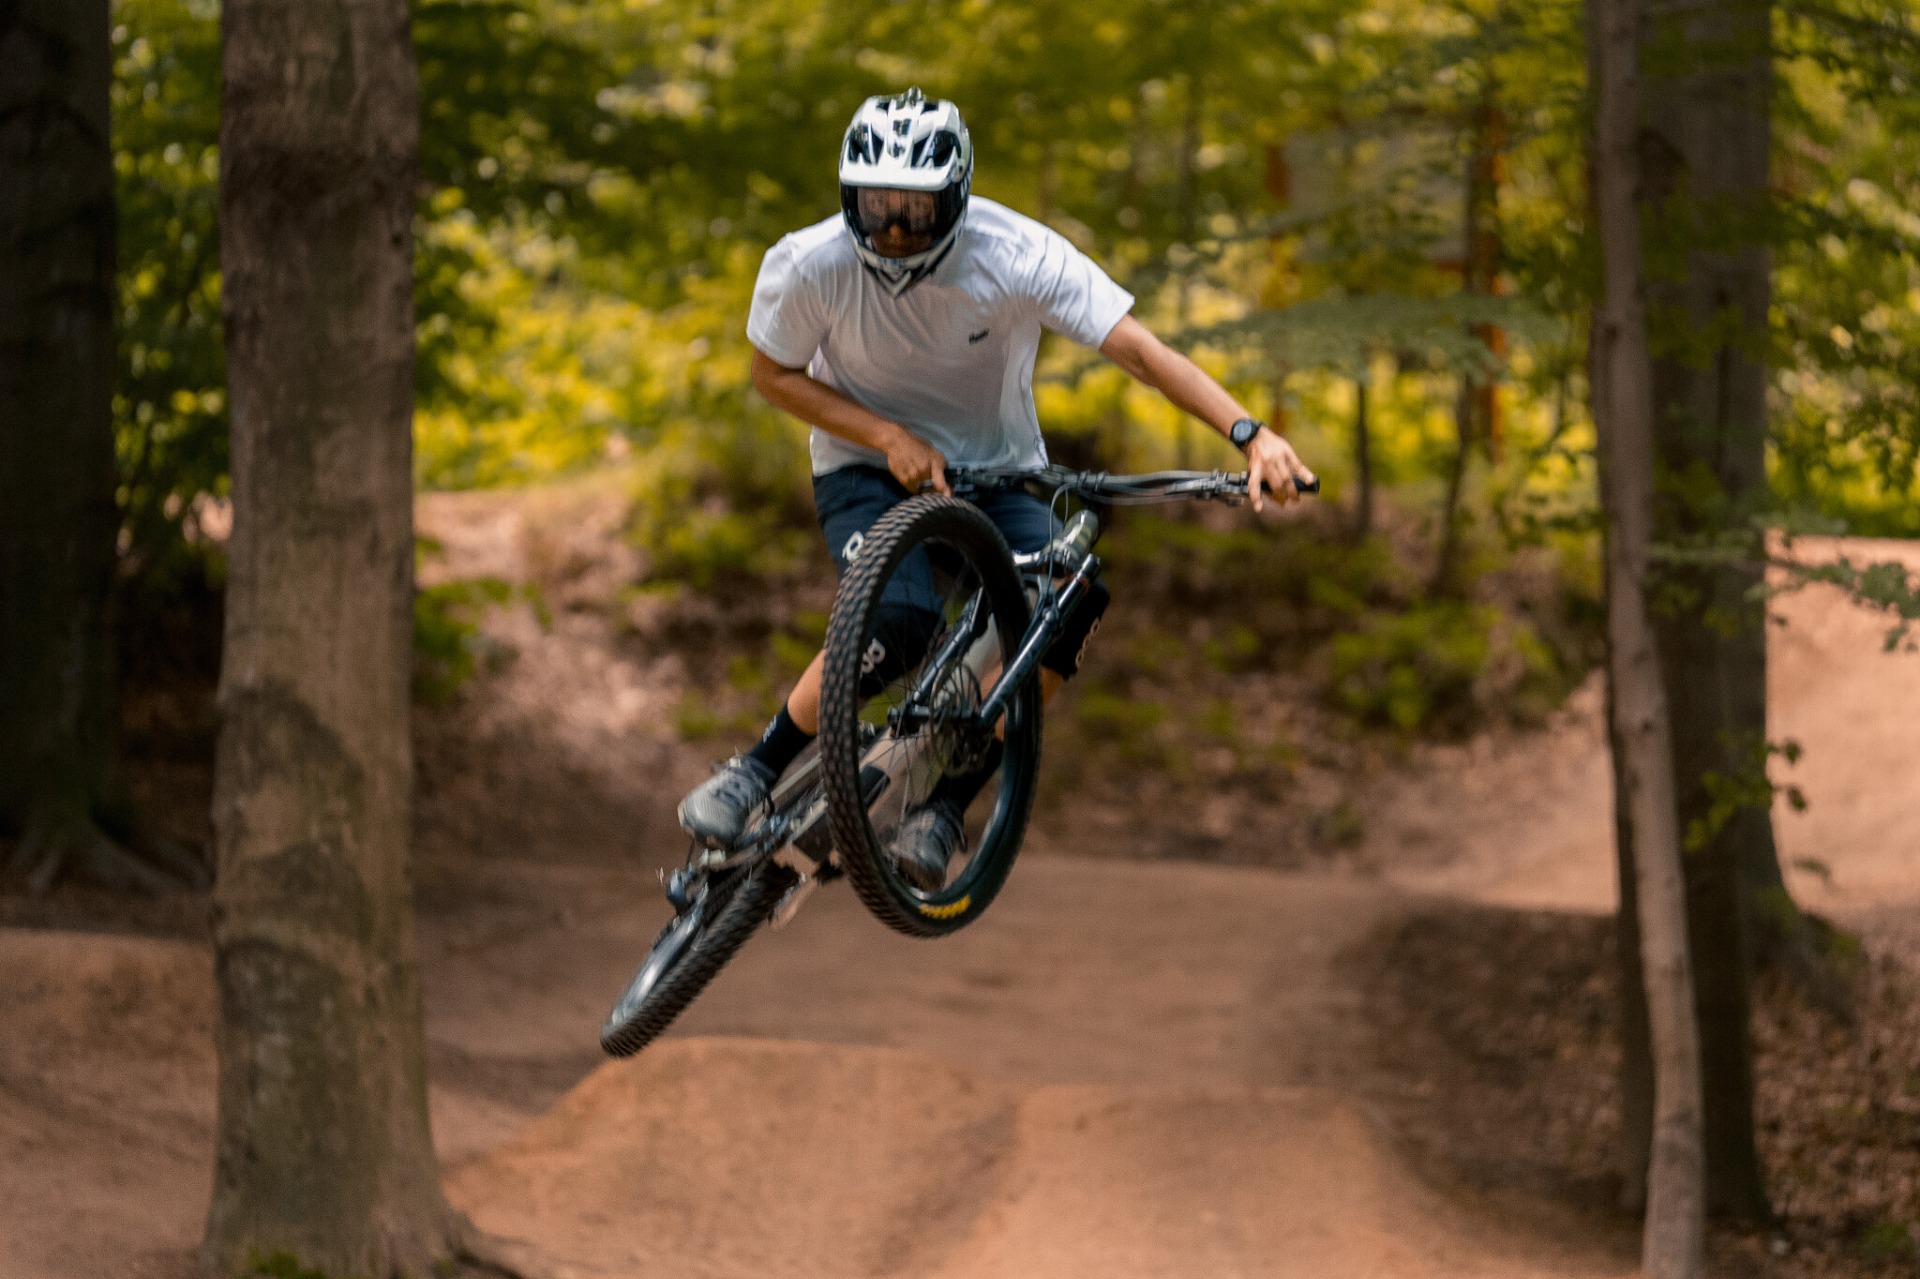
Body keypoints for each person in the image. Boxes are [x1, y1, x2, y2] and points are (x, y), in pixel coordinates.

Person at [678, 87, 1315, 888]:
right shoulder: (811, 264)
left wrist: (1250, 434)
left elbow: (1141, 352)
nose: (896, 229)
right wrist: (887, 436)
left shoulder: (1018, 254)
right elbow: (772, 374)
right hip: (864, 469)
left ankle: (945, 803)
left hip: (997, 473)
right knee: (900, 619)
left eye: (917, 209)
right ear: (848, 195)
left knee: (1073, 599)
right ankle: (756, 769)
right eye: (877, 206)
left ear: (957, 197)